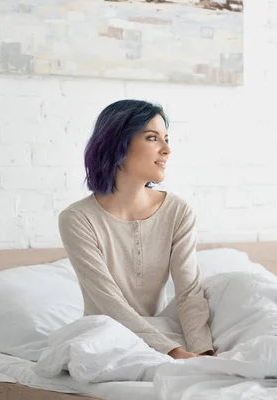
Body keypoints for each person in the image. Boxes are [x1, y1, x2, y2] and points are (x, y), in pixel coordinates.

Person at [58, 99, 214, 360]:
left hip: (163, 333)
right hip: (106, 338)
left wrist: (202, 353)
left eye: (166, 138)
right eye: (153, 138)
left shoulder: (178, 211)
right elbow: (110, 305)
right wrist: (174, 353)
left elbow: (188, 293)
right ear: (117, 144)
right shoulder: (77, 219)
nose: (167, 150)